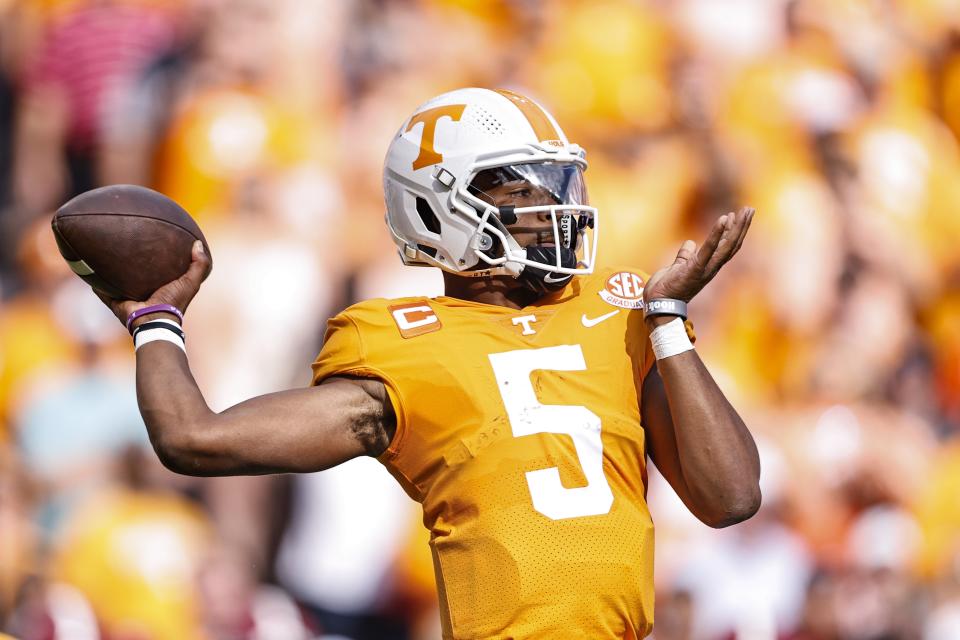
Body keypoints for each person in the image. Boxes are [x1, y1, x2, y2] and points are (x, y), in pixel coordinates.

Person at [96, 87, 761, 639]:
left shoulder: (623, 308)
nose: (554, 207)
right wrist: (155, 319)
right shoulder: (400, 342)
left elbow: (731, 497)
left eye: (559, 183)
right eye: (525, 190)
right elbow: (192, 439)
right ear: (436, 206)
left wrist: (669, 321)